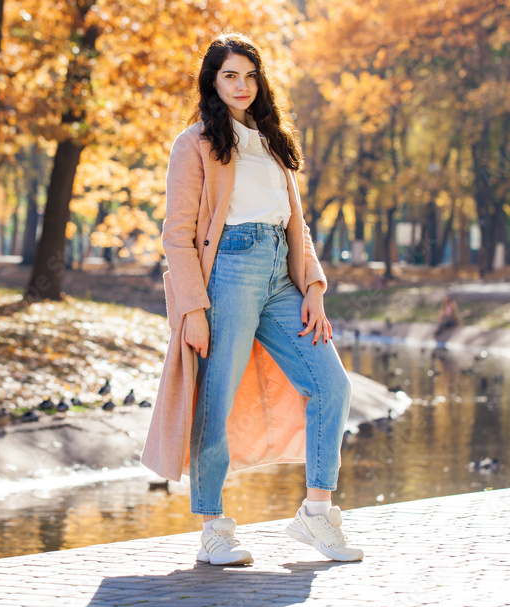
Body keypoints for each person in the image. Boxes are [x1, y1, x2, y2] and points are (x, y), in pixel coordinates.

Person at [141, 34, 362, 566]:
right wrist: (193, 309)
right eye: (229, 76)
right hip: (229, 275)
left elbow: (296, 224)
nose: (241, 86)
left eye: (249, 76)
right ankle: (214, 528)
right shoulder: (192, 144)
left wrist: (313, 287)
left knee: (332, 386)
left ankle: (315, 514)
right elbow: (177, 233)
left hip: (280, 275)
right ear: (212, 82)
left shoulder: (272, 139)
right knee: (214, 403)